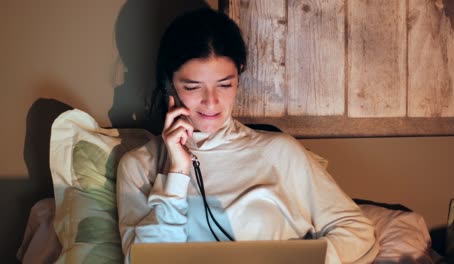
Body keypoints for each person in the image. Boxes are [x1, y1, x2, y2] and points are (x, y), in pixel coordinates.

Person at [117, 7, 379, 264]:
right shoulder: (139, 167)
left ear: (239, 75)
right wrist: (176, 174)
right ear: (168, 84)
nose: (211, 102)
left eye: (225, 84)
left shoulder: (279, 152)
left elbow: (358, 232)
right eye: (193, 87)